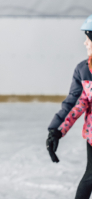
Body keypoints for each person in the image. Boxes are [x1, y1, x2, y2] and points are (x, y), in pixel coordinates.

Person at [47, 14, 92, 199]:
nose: (85, 43)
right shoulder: (84, 70)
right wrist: (56, 131)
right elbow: (76, 104)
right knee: (90, 177)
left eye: (88, 38)